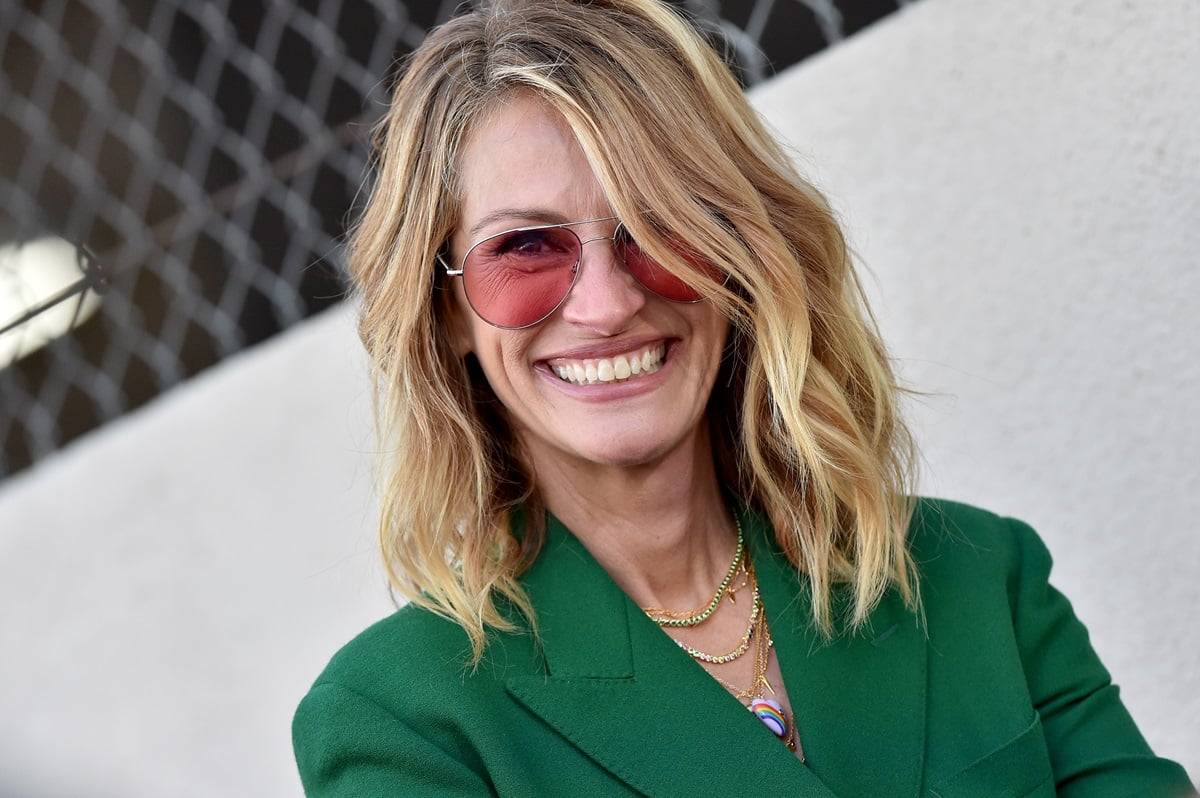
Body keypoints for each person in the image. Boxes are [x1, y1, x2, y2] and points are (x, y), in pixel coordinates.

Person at [292, 0, 1196, 794]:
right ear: (445, 309)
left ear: (739, 263)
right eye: (526, 248)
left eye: (661, 228)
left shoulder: (978, 582)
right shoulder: (403, 720)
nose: (607, 305)